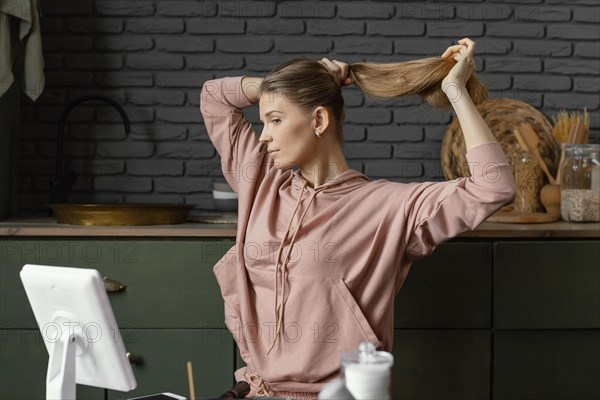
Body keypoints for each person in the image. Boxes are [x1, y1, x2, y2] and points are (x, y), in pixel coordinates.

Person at [200, 38, 516, 399]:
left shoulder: (388, 207)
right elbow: (214, 96)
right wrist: (286, 88)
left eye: (275, 120)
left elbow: (494, 188)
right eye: (263, 122)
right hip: (253, 392)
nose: (265, 136)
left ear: (318, 119)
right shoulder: (261, 180)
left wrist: (455, 91)